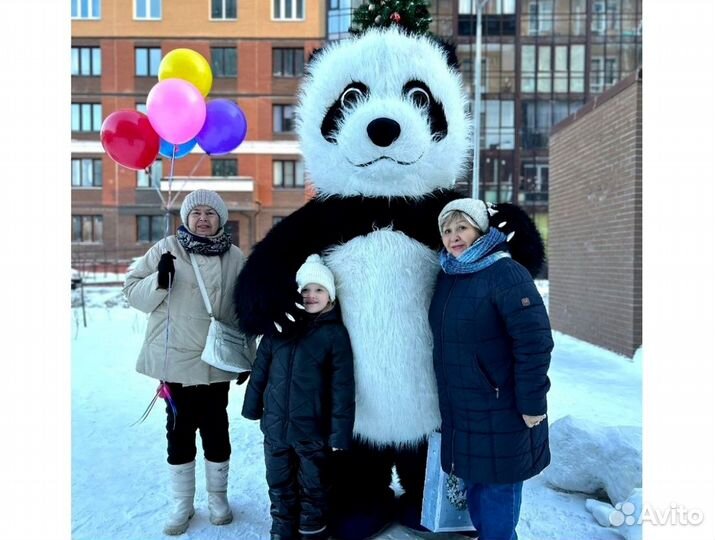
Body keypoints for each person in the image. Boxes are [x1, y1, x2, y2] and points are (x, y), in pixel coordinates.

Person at [123, 189, 248, 536]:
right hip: (175, 360)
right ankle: (182, 502)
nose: (203, 219)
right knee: (178, 432)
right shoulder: (166, 249)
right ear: (186, 218)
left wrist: (245, 356)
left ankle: (218, 499)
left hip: (214, 361)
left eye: (211, 213)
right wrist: (158, 281)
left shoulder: (235, 256)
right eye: (197, 213)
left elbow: (245, 308)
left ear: (220, 219)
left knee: (216, 429)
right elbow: (132, 292)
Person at [428, 198, 554, 540]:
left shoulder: (506, 273)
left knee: (497, 498)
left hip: (503, 408)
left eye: (462, 228)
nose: (454, 237)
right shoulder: (449, 275)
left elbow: (534, 342)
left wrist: (532, 404)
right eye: (447, 230)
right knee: (476, 493)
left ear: (482, 230)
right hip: (463, 410)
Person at [242, 254, 355, 540]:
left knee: (314, 485)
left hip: (312, 430)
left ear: (330, 294)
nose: (311, 296)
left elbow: (342, 388)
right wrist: (252, 406)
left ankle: (312, 529)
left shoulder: (335, 335)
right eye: (305, 290)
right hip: (276, 427)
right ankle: (282, 527)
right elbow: (260, 370)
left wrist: (339, 434)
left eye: (318, 289)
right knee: (279, 483)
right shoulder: (279, 328)